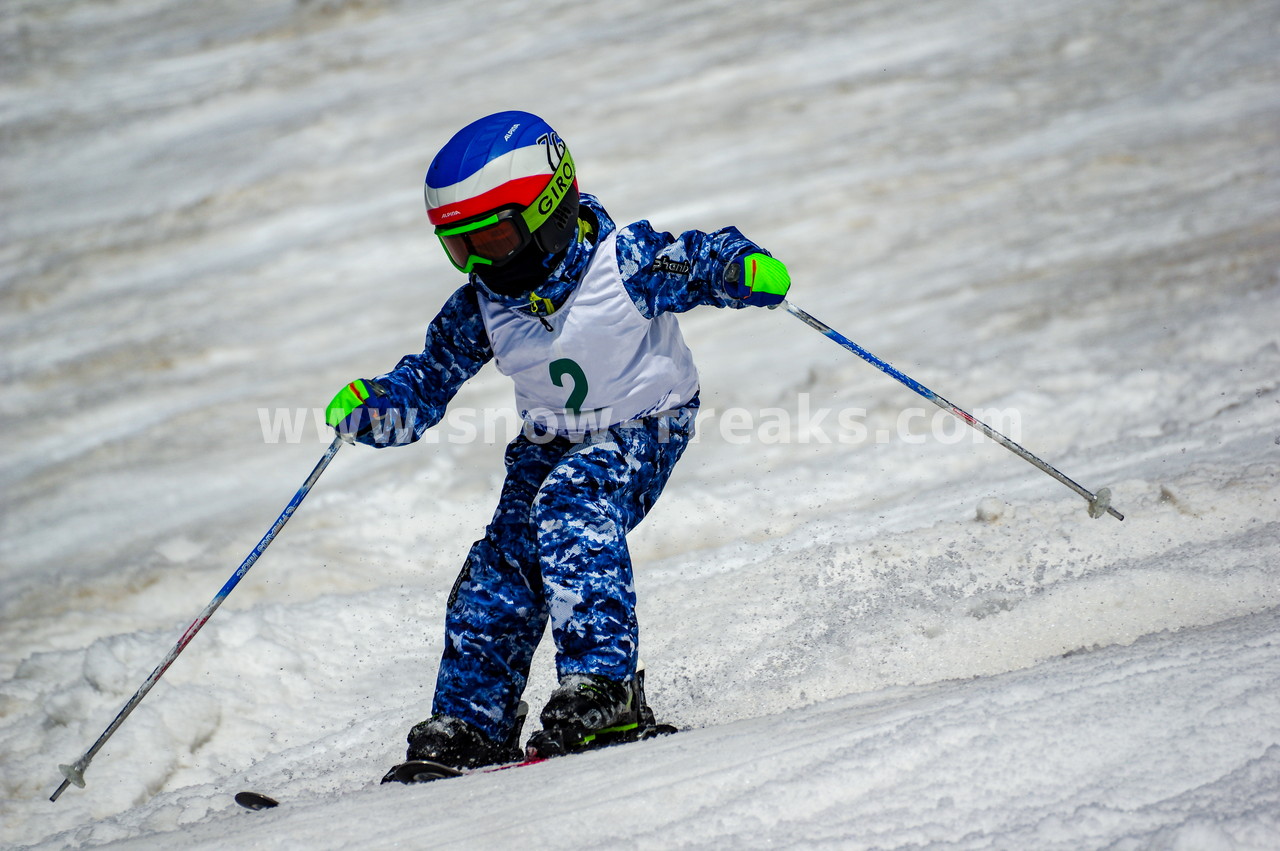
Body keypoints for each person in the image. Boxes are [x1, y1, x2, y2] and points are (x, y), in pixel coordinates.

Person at [325, 110, 790, 772]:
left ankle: (604, 690)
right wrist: (379, 410)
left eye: (494, 238)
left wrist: (740, 268)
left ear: (549, 209)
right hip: (550, 438)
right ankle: (473, 718)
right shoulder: (483, 305)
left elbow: (693, 258)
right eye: (462, 248)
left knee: (572, 504)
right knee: (503, 561)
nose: (483, 263)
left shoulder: (621, 262)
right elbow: (425, 385)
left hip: (646, 422)